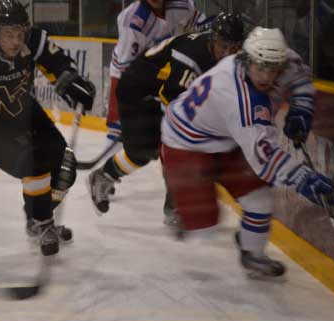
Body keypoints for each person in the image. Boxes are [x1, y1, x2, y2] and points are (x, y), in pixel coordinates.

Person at [160, 27, 334, 277]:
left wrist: (302, 109)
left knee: (260, 199)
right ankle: (185, 205)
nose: (266, 76)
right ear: (245, 59)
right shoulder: (240, 100)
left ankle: (253, 254)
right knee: (203, 228)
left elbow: (301, 77)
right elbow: (265, 159)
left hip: (227, 138)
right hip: (186, 143)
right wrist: (303, 177)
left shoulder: (282, 60)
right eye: (260, 67)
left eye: (272, 68)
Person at [0, 0, 95, 256]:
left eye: (19, 34)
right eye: (8, 35)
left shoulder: (35, 41)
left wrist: (73, 83)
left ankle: (35, 215)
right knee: (33, 164)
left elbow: (60, 65)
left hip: (27, 114)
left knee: (66, 171)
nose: (15, 42)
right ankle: (43, 222)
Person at [87, 13, 244, 225]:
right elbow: (174, 107)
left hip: (159, 90)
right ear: (213, 39)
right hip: (137, 91)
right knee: (156, 148)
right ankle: (106, 177)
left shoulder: (221, 53)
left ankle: (171, 201)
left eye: (233, 48)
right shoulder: (191, 58)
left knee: (166, 147)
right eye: (223, 46)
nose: (226, 53)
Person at [104, 0, 209, 157]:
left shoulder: (181, 4)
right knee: (121, 129)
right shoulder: (132, 21)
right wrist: (117, 112)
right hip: (135, 75)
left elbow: (201, 23)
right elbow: (122, 72)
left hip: (168, 69)